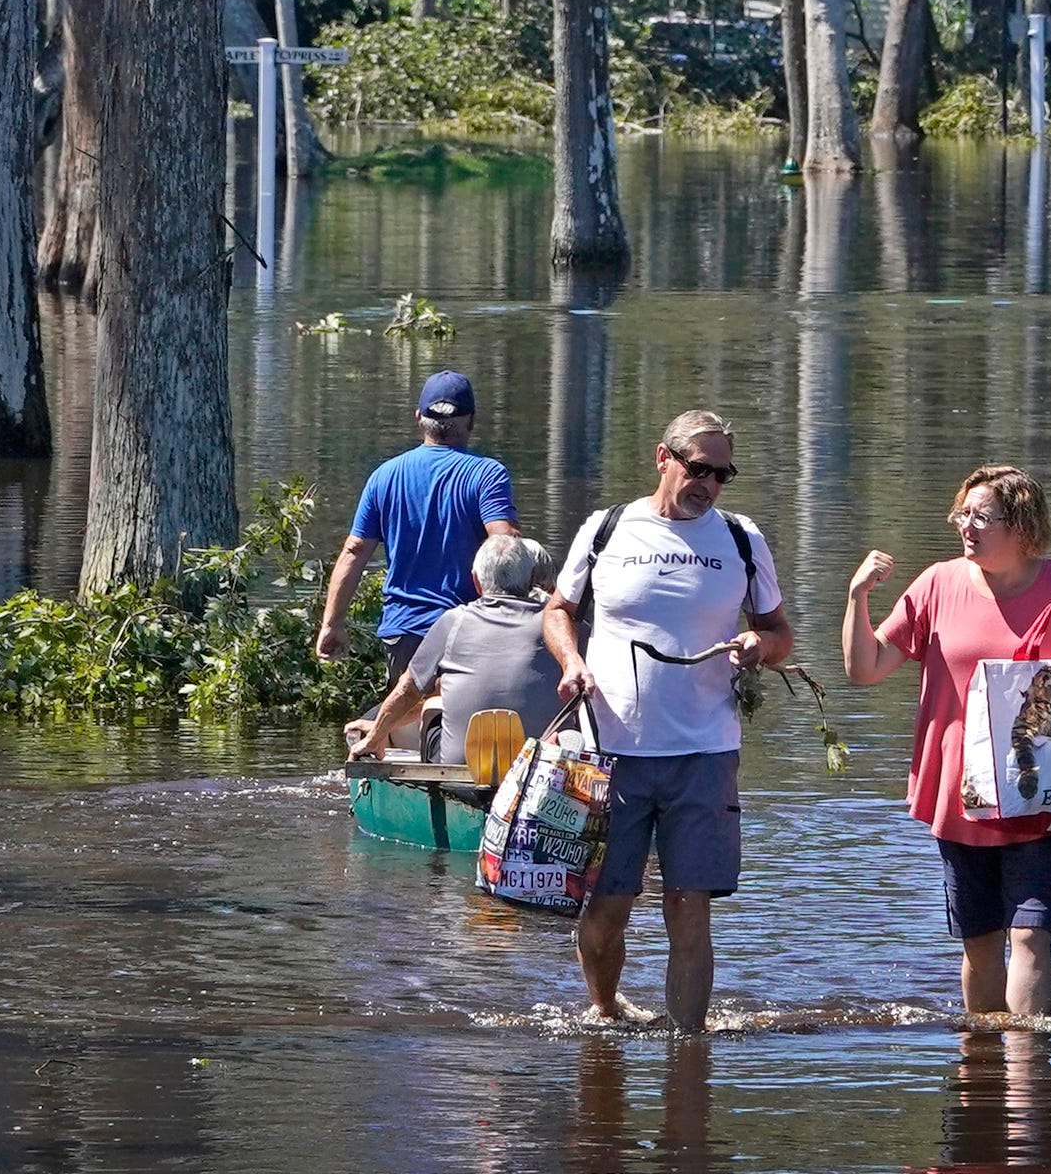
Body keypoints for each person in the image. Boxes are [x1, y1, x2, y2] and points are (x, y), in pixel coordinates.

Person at [544, 409, 793, 1031]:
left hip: (704, 752)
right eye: (698, 467)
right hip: (611, 750)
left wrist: (759, 648)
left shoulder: (741, 538)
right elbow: (557, 610)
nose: (709, 483)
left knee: (689, 909)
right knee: (606, 910)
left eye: (722, 473)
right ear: (664, 458)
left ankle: (688, 1049)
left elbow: (779, 632)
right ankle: (604, 1013)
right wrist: (571, 659)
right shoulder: (607, 529)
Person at [841, 465, 1051, 1020]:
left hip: (1041, 787)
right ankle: (983, 1075)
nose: (966, 526)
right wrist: (857, 596)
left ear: (1020, 525)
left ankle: (1026, 1073)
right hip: (960, 789)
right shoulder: (937, 584)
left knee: (1032, 935)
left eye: (981, 517)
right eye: (962, 514)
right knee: (981, 943)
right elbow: (864, 669)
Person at [318, 371, 518, 689]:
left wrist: (332, 624)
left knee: (407, 718)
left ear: (418, 418)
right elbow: (504, 543)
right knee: (460, 725)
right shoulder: (487, 475)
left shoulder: (384, 476)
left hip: (403, 632)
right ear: (471, 421)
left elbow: (354, 551)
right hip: (466, 629)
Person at [344, 533, 563, 762]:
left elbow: (408, 690)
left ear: (476, 582)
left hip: (463, 772)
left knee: (433, 706)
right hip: (539, 767)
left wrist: (375, 736)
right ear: (529, 582)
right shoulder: (562, 627)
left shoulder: (453, 621)